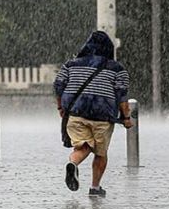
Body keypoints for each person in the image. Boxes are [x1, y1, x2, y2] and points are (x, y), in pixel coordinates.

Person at [54, 31, 133, 197]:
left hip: (76, 113)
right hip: (102, 117)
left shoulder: (70, 65)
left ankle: (73, 163)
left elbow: (58, 87)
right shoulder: (117, 69)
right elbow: (122, 97)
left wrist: (61, 108)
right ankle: (95, 188)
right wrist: (126, 118)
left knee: (83, 146)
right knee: (100, 153)